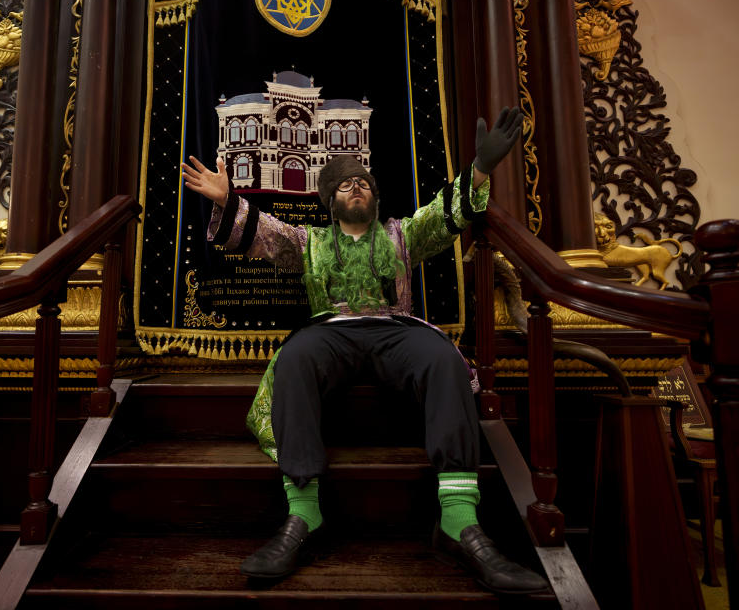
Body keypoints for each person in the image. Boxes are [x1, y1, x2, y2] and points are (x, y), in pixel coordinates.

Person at [182, 107, 548, 595]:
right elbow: (261, 233)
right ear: (329, 203)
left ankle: (460, 522)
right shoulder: (306, 240)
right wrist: (230, 199)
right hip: (330, 330)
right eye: (344, 186)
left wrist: (480, 168)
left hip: (395, 327)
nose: (356, 188)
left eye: (364, 184)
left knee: (443, 358)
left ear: (375, 198)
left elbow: (446, 212)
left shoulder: (403, 233)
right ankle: (304, 515)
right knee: (294, 358)